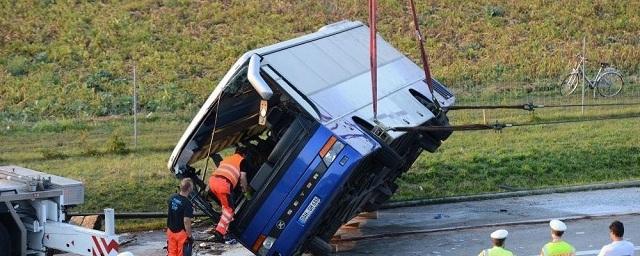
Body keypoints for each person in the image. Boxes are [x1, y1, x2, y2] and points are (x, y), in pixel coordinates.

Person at [208, 146, 250, 242]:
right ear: (244, 154)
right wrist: (245, 190)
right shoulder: (242, 161)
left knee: (225, 206)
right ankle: (219, 233)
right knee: (229, 209)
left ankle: (227, 227)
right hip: (223, 184)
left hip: (212, 182)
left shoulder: (228, 159)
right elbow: (243, 179)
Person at [166, 178, 194, 256]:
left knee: (171, 253)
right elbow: (186, 221)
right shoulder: (187, 203)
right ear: (189, 189)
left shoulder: (172, 197)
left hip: (170, 231)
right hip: (181, 233)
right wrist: (189, 235)